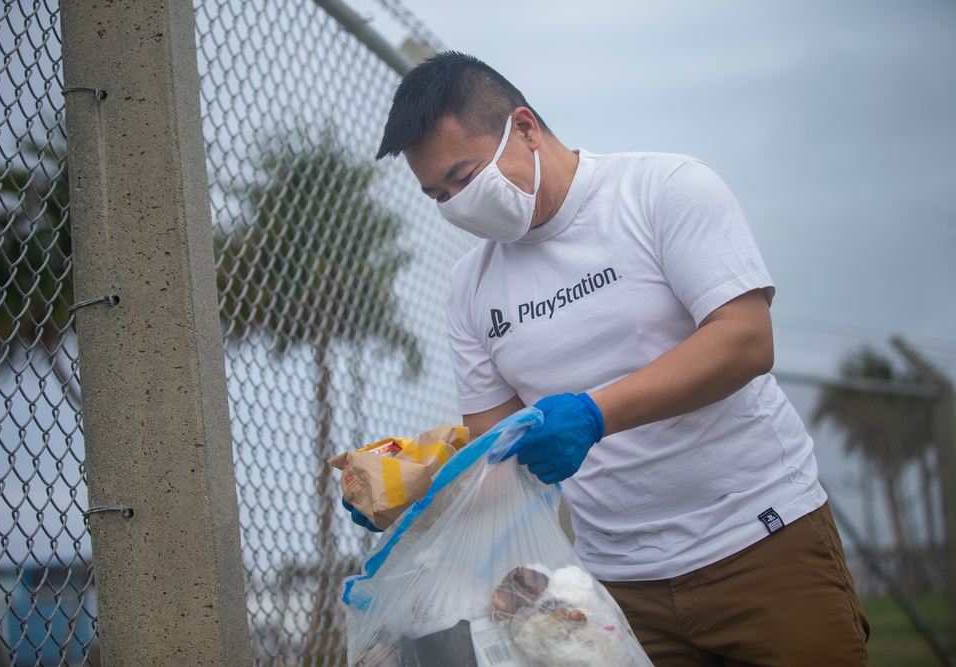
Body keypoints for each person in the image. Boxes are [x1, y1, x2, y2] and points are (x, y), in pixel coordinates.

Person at [356, 50, 870, 666]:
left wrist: (594, 413)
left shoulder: (662, 190)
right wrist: (415, 486)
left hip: (760, 540)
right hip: (616, 585)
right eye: (438, 194)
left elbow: (745, 339)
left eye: (465, 178)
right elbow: (497, 451)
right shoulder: (470, 288)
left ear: (523, 128)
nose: (457, 205)